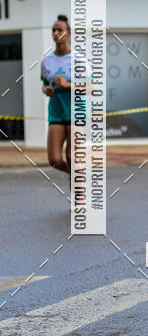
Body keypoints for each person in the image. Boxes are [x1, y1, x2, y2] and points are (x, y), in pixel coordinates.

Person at [40, 15, 78, 202]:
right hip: (56, 113)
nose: (56, 33)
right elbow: (44, 84)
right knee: (54, 160)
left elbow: (91, 87)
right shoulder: (47, 61)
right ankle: (77, 178)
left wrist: (68, 84)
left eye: (60, 30)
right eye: (53, 30)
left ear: (68, 33)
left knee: (71, 156)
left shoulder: (78, 60)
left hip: (75, 112)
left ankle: (78, 196)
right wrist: (46, 90)